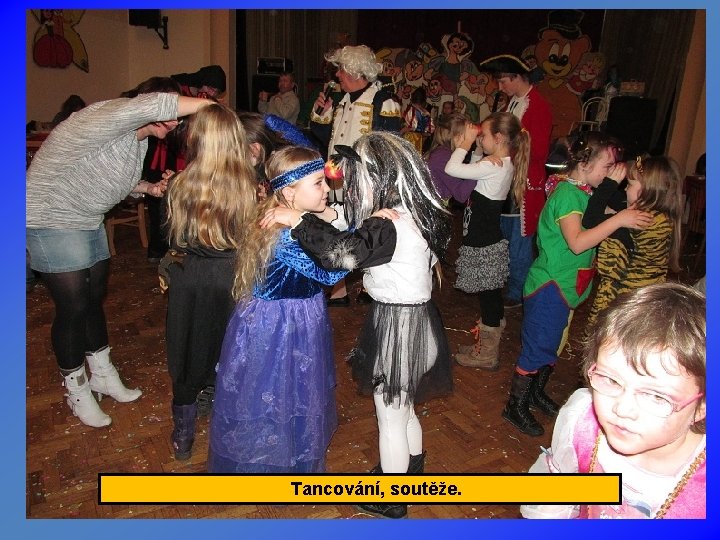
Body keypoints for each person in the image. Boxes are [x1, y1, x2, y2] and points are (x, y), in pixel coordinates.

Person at [263, 132, 453, 519]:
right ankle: (410, 467)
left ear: (377, 178)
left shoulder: (386, 226)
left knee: (390, 417)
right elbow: (349, 223)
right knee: (404, 408)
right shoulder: (409, 211)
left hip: (401, 328)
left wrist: (298, 219)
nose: (347, 186)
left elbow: (341, 255)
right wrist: (319, 217)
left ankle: (392, 497)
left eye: (356, 178)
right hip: (419, 324)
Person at [26, 78, 213, 428]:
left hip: (87, 217)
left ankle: (102, 374)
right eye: (172, 111)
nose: (175, 122)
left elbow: (114, 178)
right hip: (51, 216)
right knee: (73, 307)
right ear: (148, 102)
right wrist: (212, 107)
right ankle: (76, 390)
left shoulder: (136, 139)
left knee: (93, 297)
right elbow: (156, 106)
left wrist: (150, 188)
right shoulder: (110, 114)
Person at [502, 131, 653, 437]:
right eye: (606, 167)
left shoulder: (582, 192)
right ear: (584, 165)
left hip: (567, 284)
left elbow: (596, 217)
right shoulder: (567, 195)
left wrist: (620, 213)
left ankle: (535, 393)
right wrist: (619, 219)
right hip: (550, 286)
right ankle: (515, 405)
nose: (611, 174)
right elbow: (577, 242)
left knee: (552, 345)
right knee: (537, 347)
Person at [208, 146, 348, 474]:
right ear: (289, 192)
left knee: (293, 388)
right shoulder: (286, 235)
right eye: (318, 183)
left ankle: (291, 447)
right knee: (273, 389)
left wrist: (328, 216)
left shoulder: (294, 218)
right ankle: (268, 462)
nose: (327, 189)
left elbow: (326, 235)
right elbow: (334, 268)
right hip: (278, 325)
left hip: (297, 316)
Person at [521, 282, 706, 519]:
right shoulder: (582, 421)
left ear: (702, 407)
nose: (622, 409)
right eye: (611, 380)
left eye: (656, 396)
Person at [164, 103, 258, 460]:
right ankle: (229, 425)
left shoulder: (180, 184)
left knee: (188, 350)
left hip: (191, 279)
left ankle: (184, 434)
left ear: (198, 139)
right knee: (231, 349)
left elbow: (172, 240)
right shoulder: (249, 187)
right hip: (234, 277)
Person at [310, 44, 402, 306]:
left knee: (368, 230)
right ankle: (339, 290)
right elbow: (323, 138)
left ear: (354, 71)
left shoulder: (383, 101)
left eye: (340, 69)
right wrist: (320, 112)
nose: (337, 75)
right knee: (336, 227)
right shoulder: (341, 100)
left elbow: (389, 146)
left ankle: (370, 285)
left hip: (365, 180)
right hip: (336, 177)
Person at [446, 112, 530, 369]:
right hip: (485, 238)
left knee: (489, 297)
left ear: (499, 137)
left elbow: (452, 169)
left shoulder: (494, 166)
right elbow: (471, 174)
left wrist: (465, 143)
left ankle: (487, 354)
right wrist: (479, 151)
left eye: (483, 135)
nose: (479, 138)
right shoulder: (497, 163)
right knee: (490, 295)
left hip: (484, 241)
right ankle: (485, 346)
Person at [478, 54, 553, 309]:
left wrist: (506, 149)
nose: (500, 87)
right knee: (504, 238)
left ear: (518, 77)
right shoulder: (513, 103)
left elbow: (539, 151)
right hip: (508, 182)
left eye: (503, 81)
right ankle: (505, 283)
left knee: (519, 243)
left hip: (524, 185)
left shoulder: (538, 106)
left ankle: (519, 290)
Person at [583, 154, 683, 327]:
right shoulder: (659, 217)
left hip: (620, 307)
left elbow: (590, 220)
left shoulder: (639, 222)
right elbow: (620, 201)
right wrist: (607, 180)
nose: (625, 189)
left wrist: (609, 185)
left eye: (629, 185)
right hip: (644, 302)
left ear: (646, 190)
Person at [144, 65, 227, 263]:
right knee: (160, 204)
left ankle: (178, 248)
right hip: (163, 153)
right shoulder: (179, 92)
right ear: (202, 83)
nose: (213, 93)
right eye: (211, 88)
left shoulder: (199, 98)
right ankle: (157, 250)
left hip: (184, 154)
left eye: (216, 91)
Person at [424, 112, 476, 207]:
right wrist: (479, 169)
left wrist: (478, 152)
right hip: (429, 207)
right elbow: (461, 194)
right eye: (467, 135)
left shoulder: (442, 152)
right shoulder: (442, 157)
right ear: (457, 136)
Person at [400, 86, 434, 154]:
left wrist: (399, 133)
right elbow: (429, 132)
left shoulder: (411, 110)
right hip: (420, 140)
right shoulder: (426, 113)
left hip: (410, 138)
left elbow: (410, 127)